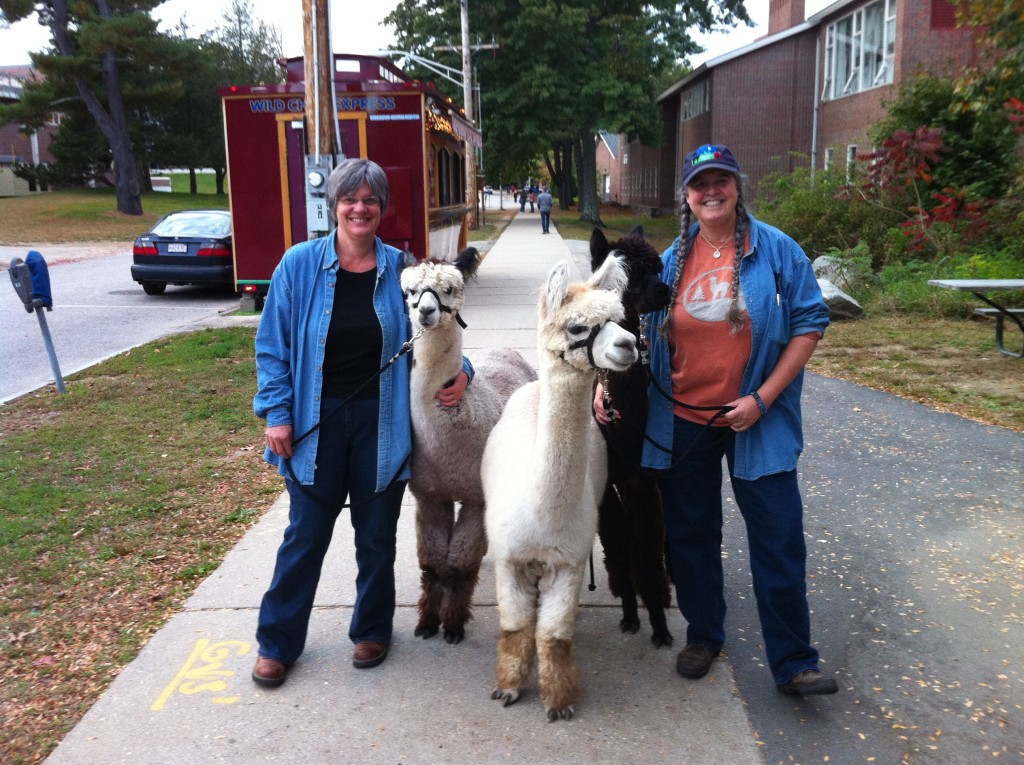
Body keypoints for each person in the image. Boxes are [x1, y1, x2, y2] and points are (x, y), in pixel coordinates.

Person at [594, 144, 836, 697]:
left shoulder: (776, 251)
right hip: (684, 419)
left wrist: (765, 397)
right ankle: (704, 635)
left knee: (777, 537)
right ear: (687, 194)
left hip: (759, 419)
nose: (710, 191)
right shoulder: (674, 259)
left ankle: (794, 661)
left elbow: (809, 323)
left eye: (720, 180)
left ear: (736, 186)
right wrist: (600, 389)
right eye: (699, 184)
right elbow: (621, 325)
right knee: (691, 534)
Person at [251, 158, 472, 688]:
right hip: (315, 420)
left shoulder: (402, 269)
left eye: (370, 200)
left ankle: (372, 629)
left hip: (383, 419)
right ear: (335, 205)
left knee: (375, 536)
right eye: (350, 199)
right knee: (305, 535)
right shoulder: (298, 265)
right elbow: (272, 347)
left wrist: (461, 371)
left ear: (382, 208)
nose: (360, 208)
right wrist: (277, 414)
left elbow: (441, 324)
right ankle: (278, 643)